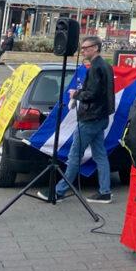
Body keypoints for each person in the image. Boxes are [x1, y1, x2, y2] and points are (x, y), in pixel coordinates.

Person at [39, 35, 115, 204]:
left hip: (90, 118)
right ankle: (105, 191)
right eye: (82, 48)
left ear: (95, 48)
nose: (83, 50)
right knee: (100, 155)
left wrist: (76, 94)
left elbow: (92, 94)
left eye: (86, 48)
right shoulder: (105, 66)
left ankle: (59, 191)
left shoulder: (96, 67)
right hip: (101, 117)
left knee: (75, 155)